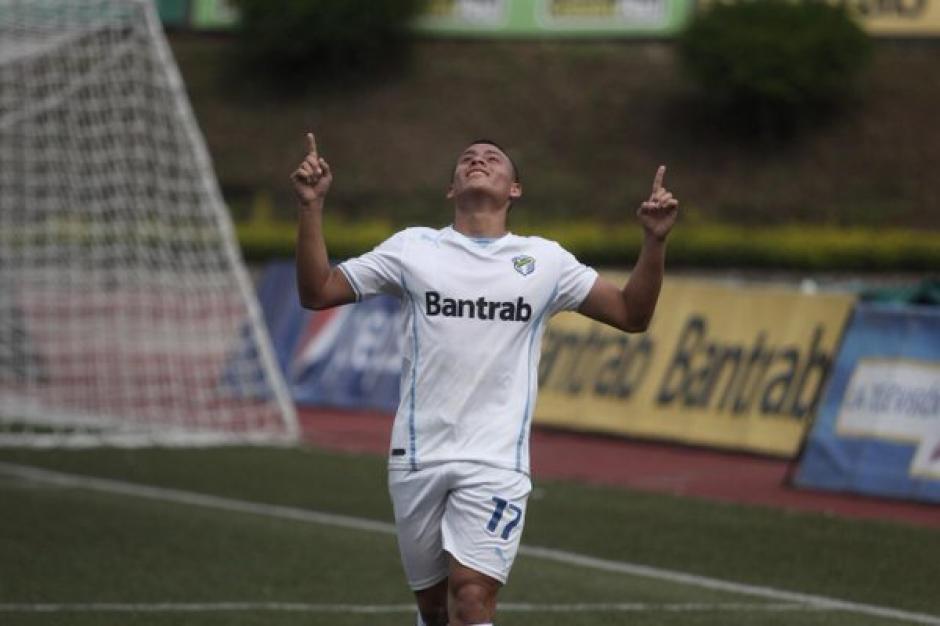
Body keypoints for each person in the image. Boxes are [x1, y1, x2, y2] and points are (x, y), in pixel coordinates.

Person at [291, 132, 678, 626]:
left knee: (471, 599)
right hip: (417, 454)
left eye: (493, 158)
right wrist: (310, 206)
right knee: (433, 609)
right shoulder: (413, 248)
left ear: (514, 188)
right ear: (451, 189)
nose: (478, 160)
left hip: (496, 459)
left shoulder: (545, 261)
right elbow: (318, 291)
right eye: (467, 159)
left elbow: (631, 313)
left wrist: (654, 241)